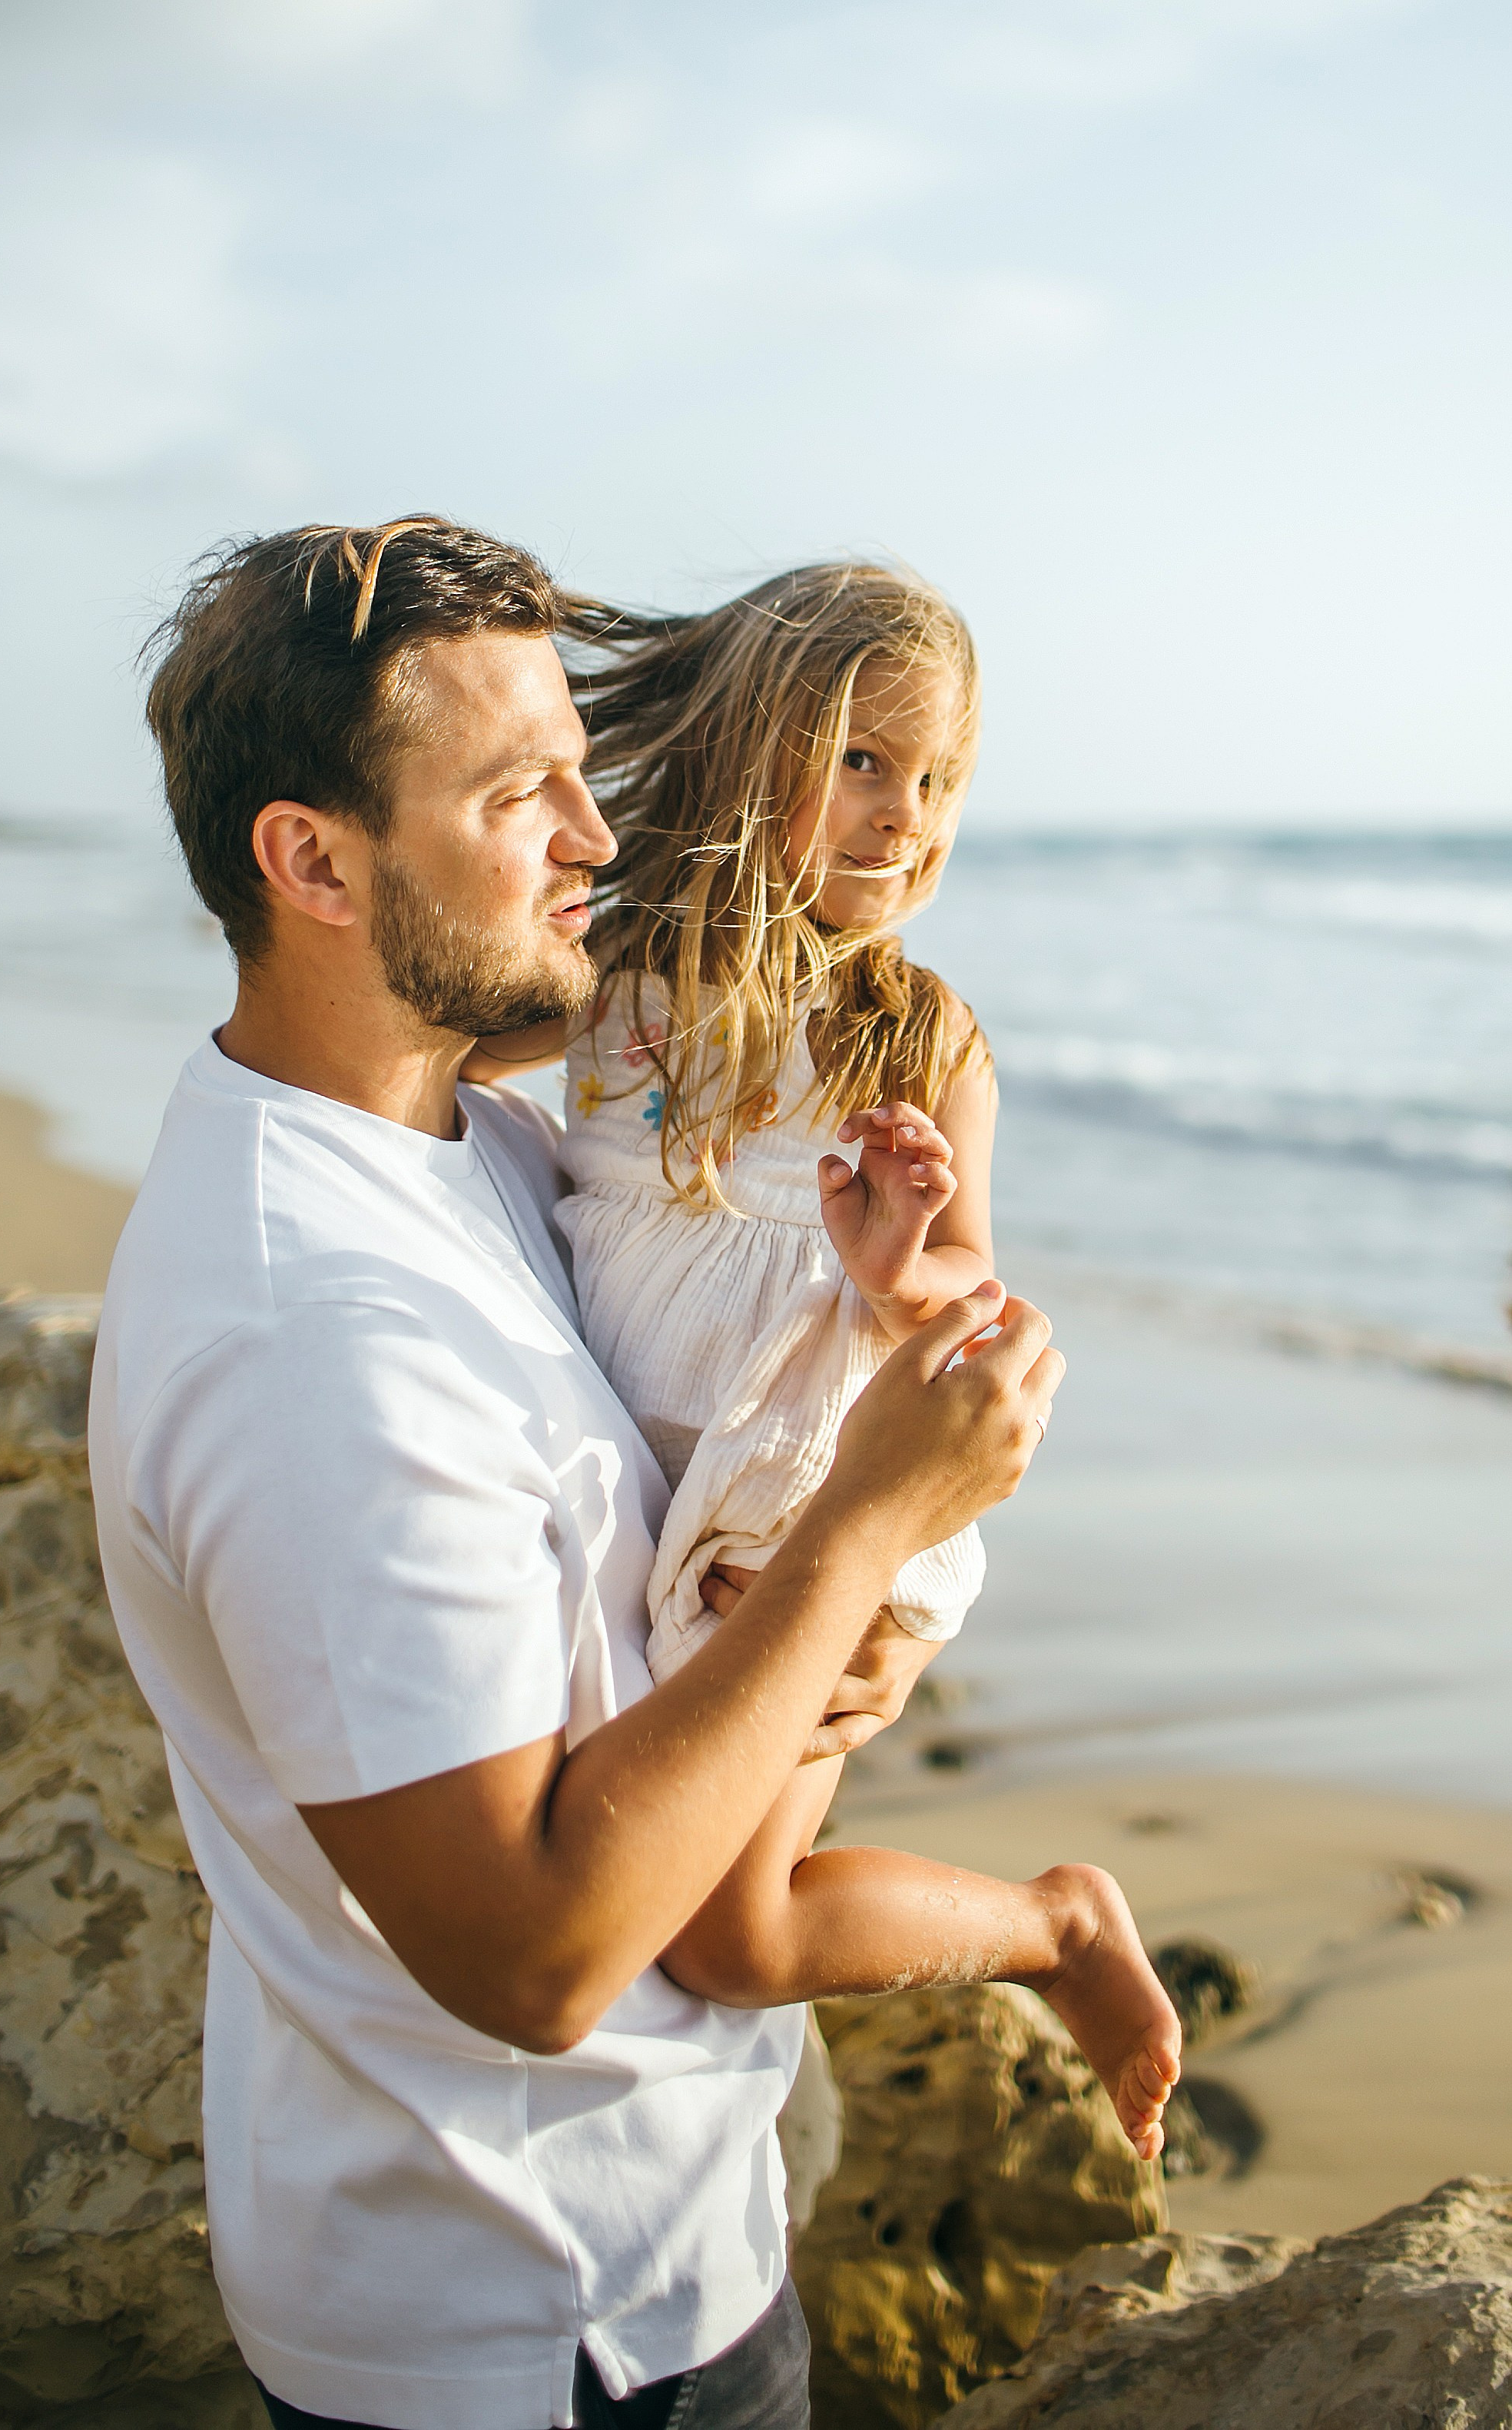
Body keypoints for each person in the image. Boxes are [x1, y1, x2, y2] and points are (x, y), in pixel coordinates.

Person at [88, 516, 1175, 2430]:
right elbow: (534, 1956)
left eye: (586, 777)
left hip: (658, 2246)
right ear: (310, 858)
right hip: (534, 2334)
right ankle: (1048, 1926)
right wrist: (859, 1535)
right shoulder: (310, 1338)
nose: (596, 841)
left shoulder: (467, 1159)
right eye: (524, 796)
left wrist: (873, 1566)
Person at [466, 562, 1182, 2142]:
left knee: (736, 1935)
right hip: (652, 1518)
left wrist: (905, 1264)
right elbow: (424, 1051)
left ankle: (1054, 1926)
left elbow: (970, 1304)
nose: (899, 814)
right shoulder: (621, 979)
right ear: (752, 747)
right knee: (620, 1867)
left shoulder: (922, 1033)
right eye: (863, 760)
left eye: (935, 782)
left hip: (814, 1499)